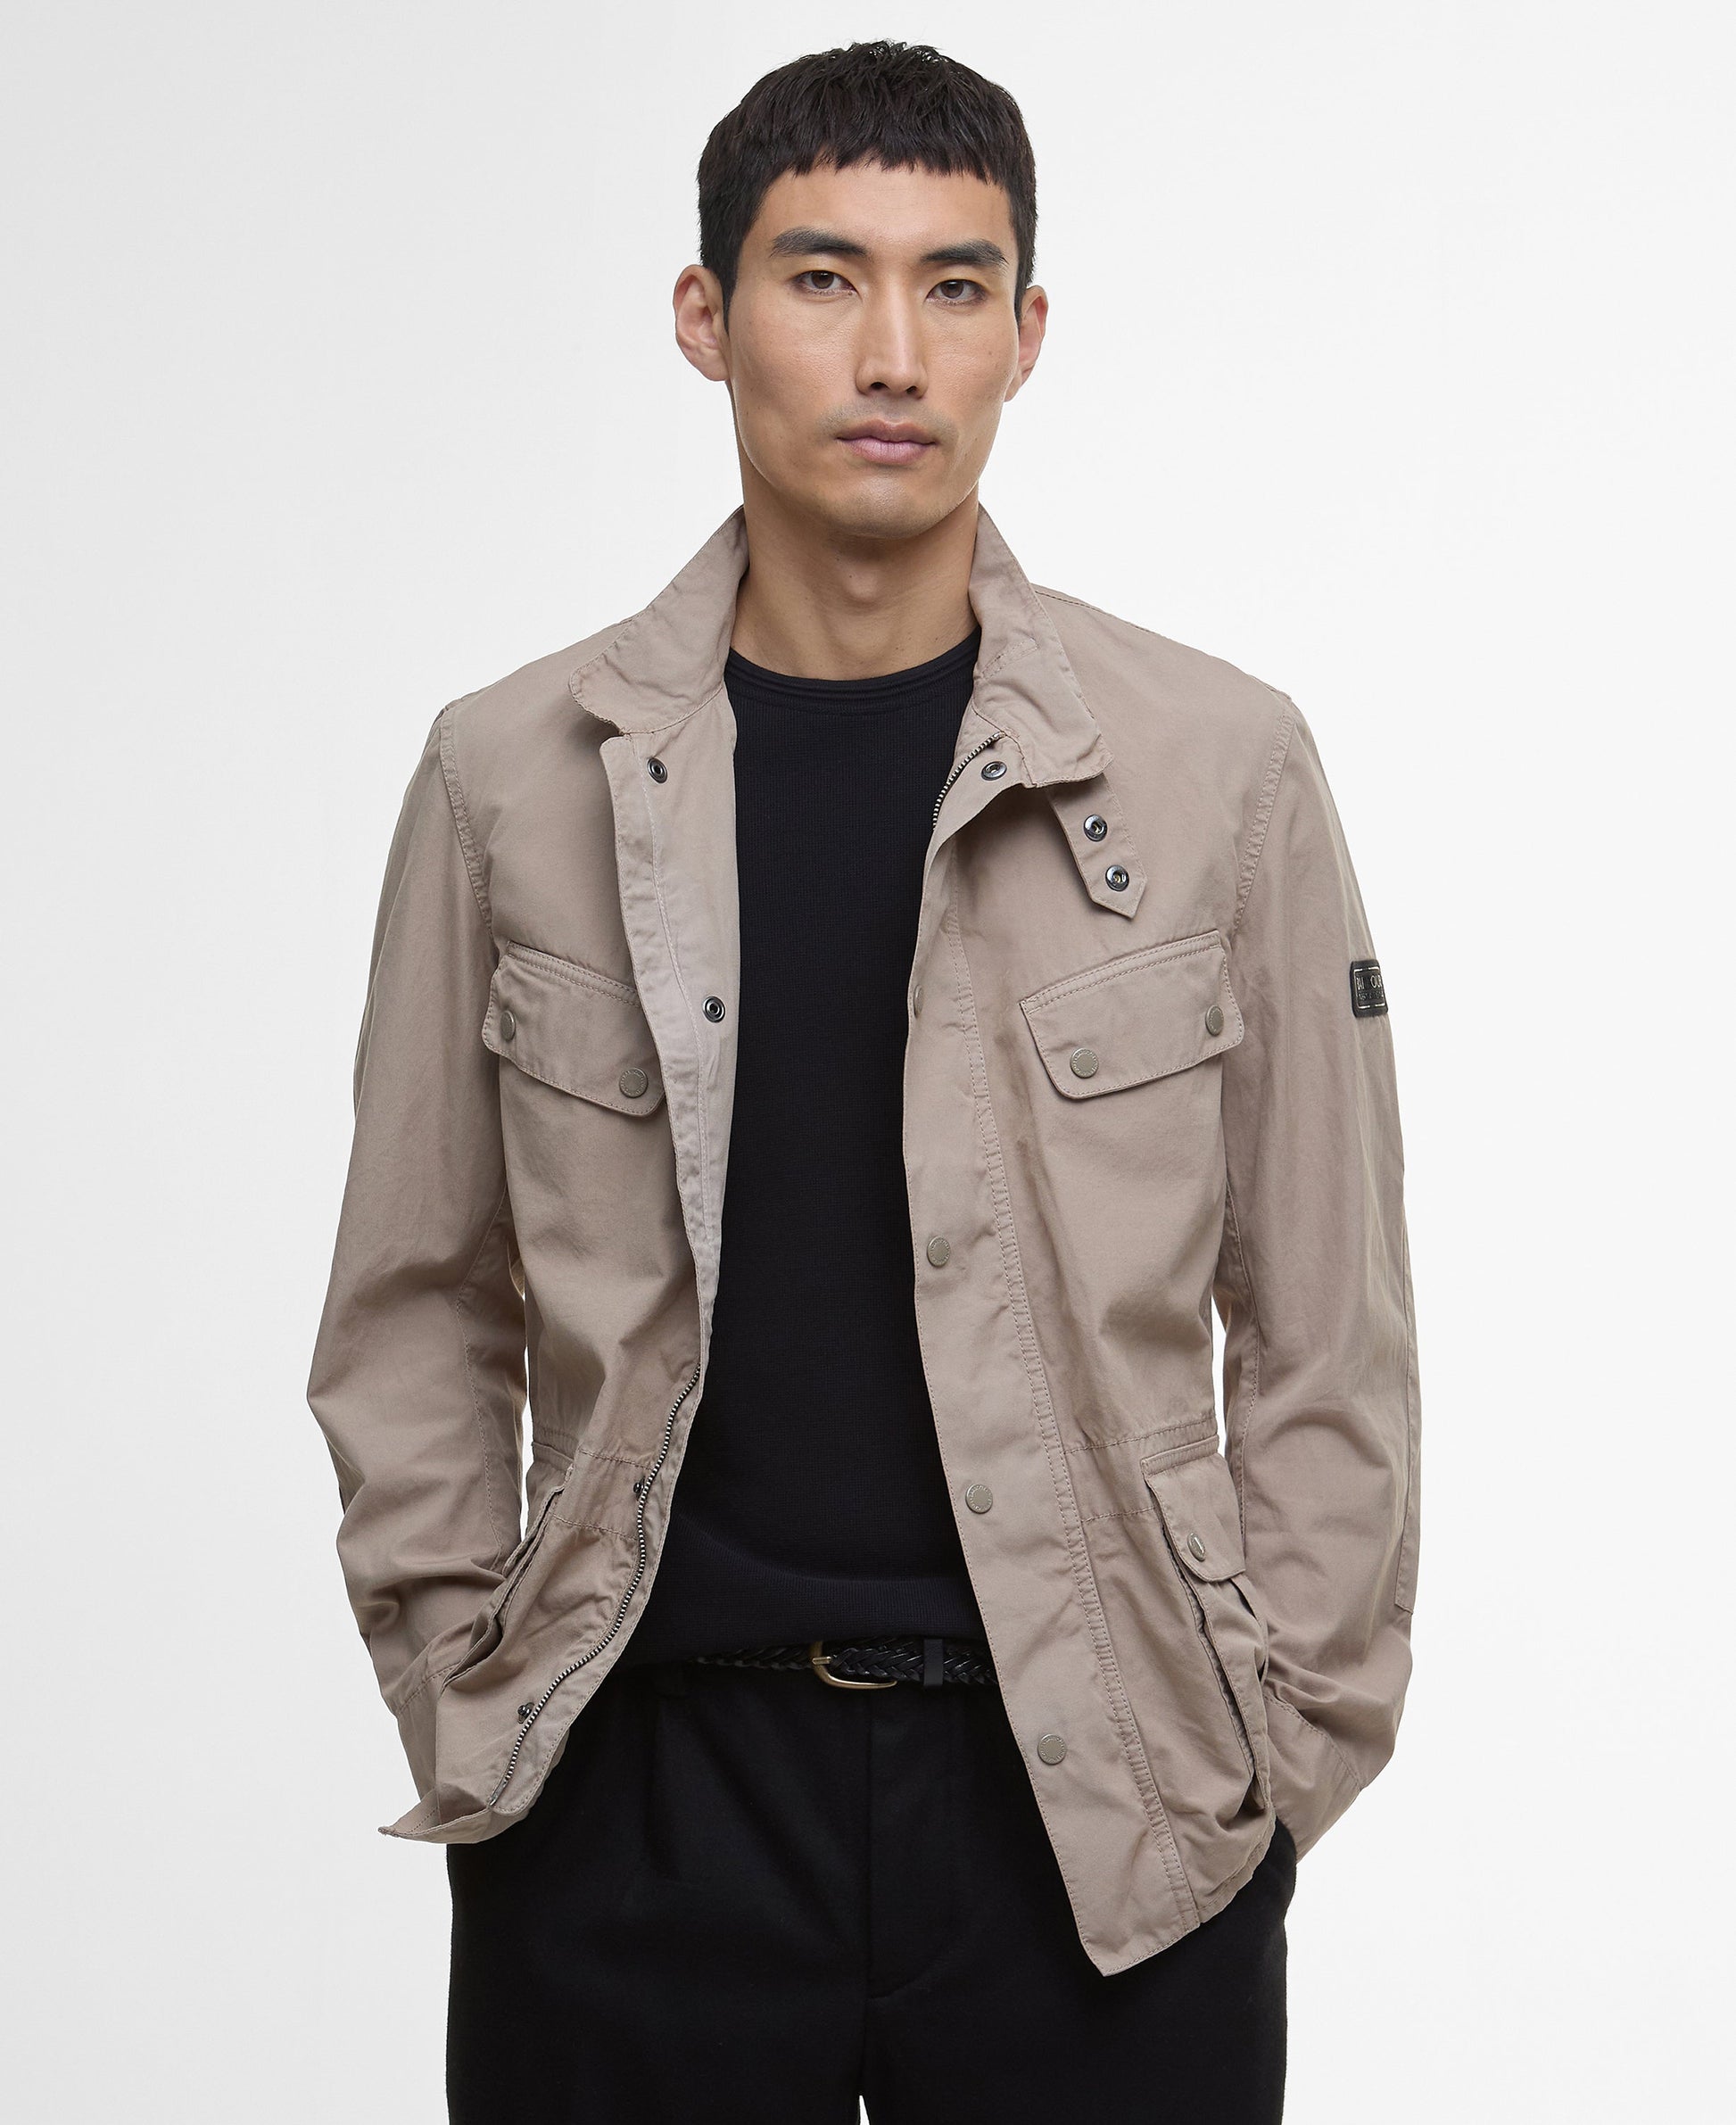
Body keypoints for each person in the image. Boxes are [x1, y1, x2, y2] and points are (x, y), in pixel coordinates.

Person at [308, 37, 1421, 2125]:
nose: (891, 351)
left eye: (953, 285)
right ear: (704, 316)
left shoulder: (1220, 771)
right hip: (635, 1805)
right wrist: (472, 1708)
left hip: (1103, 1817)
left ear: (1026, 334)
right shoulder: (508, 778)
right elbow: (412, 1300)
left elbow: (1324, 1324)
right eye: (822, 278)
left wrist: (1283, 1757)